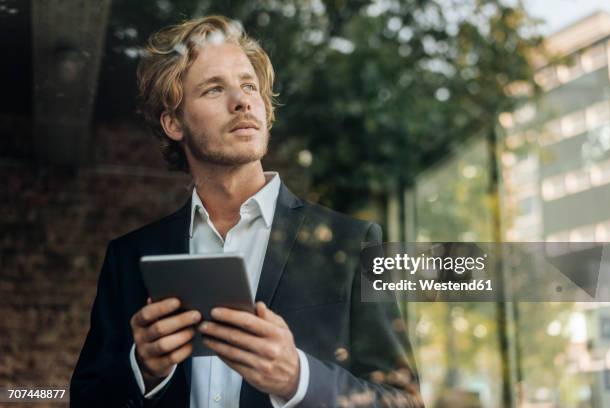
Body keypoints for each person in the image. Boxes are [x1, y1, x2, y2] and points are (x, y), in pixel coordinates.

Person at [70, 15, 423, 408]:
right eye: (214, 89)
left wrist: (298, 379)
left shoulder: (352, 243)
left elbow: (403, 400)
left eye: (249, 85)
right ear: (173, 123)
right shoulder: (129, 259)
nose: (241, 100)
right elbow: (87, 399)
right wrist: (144, 370)